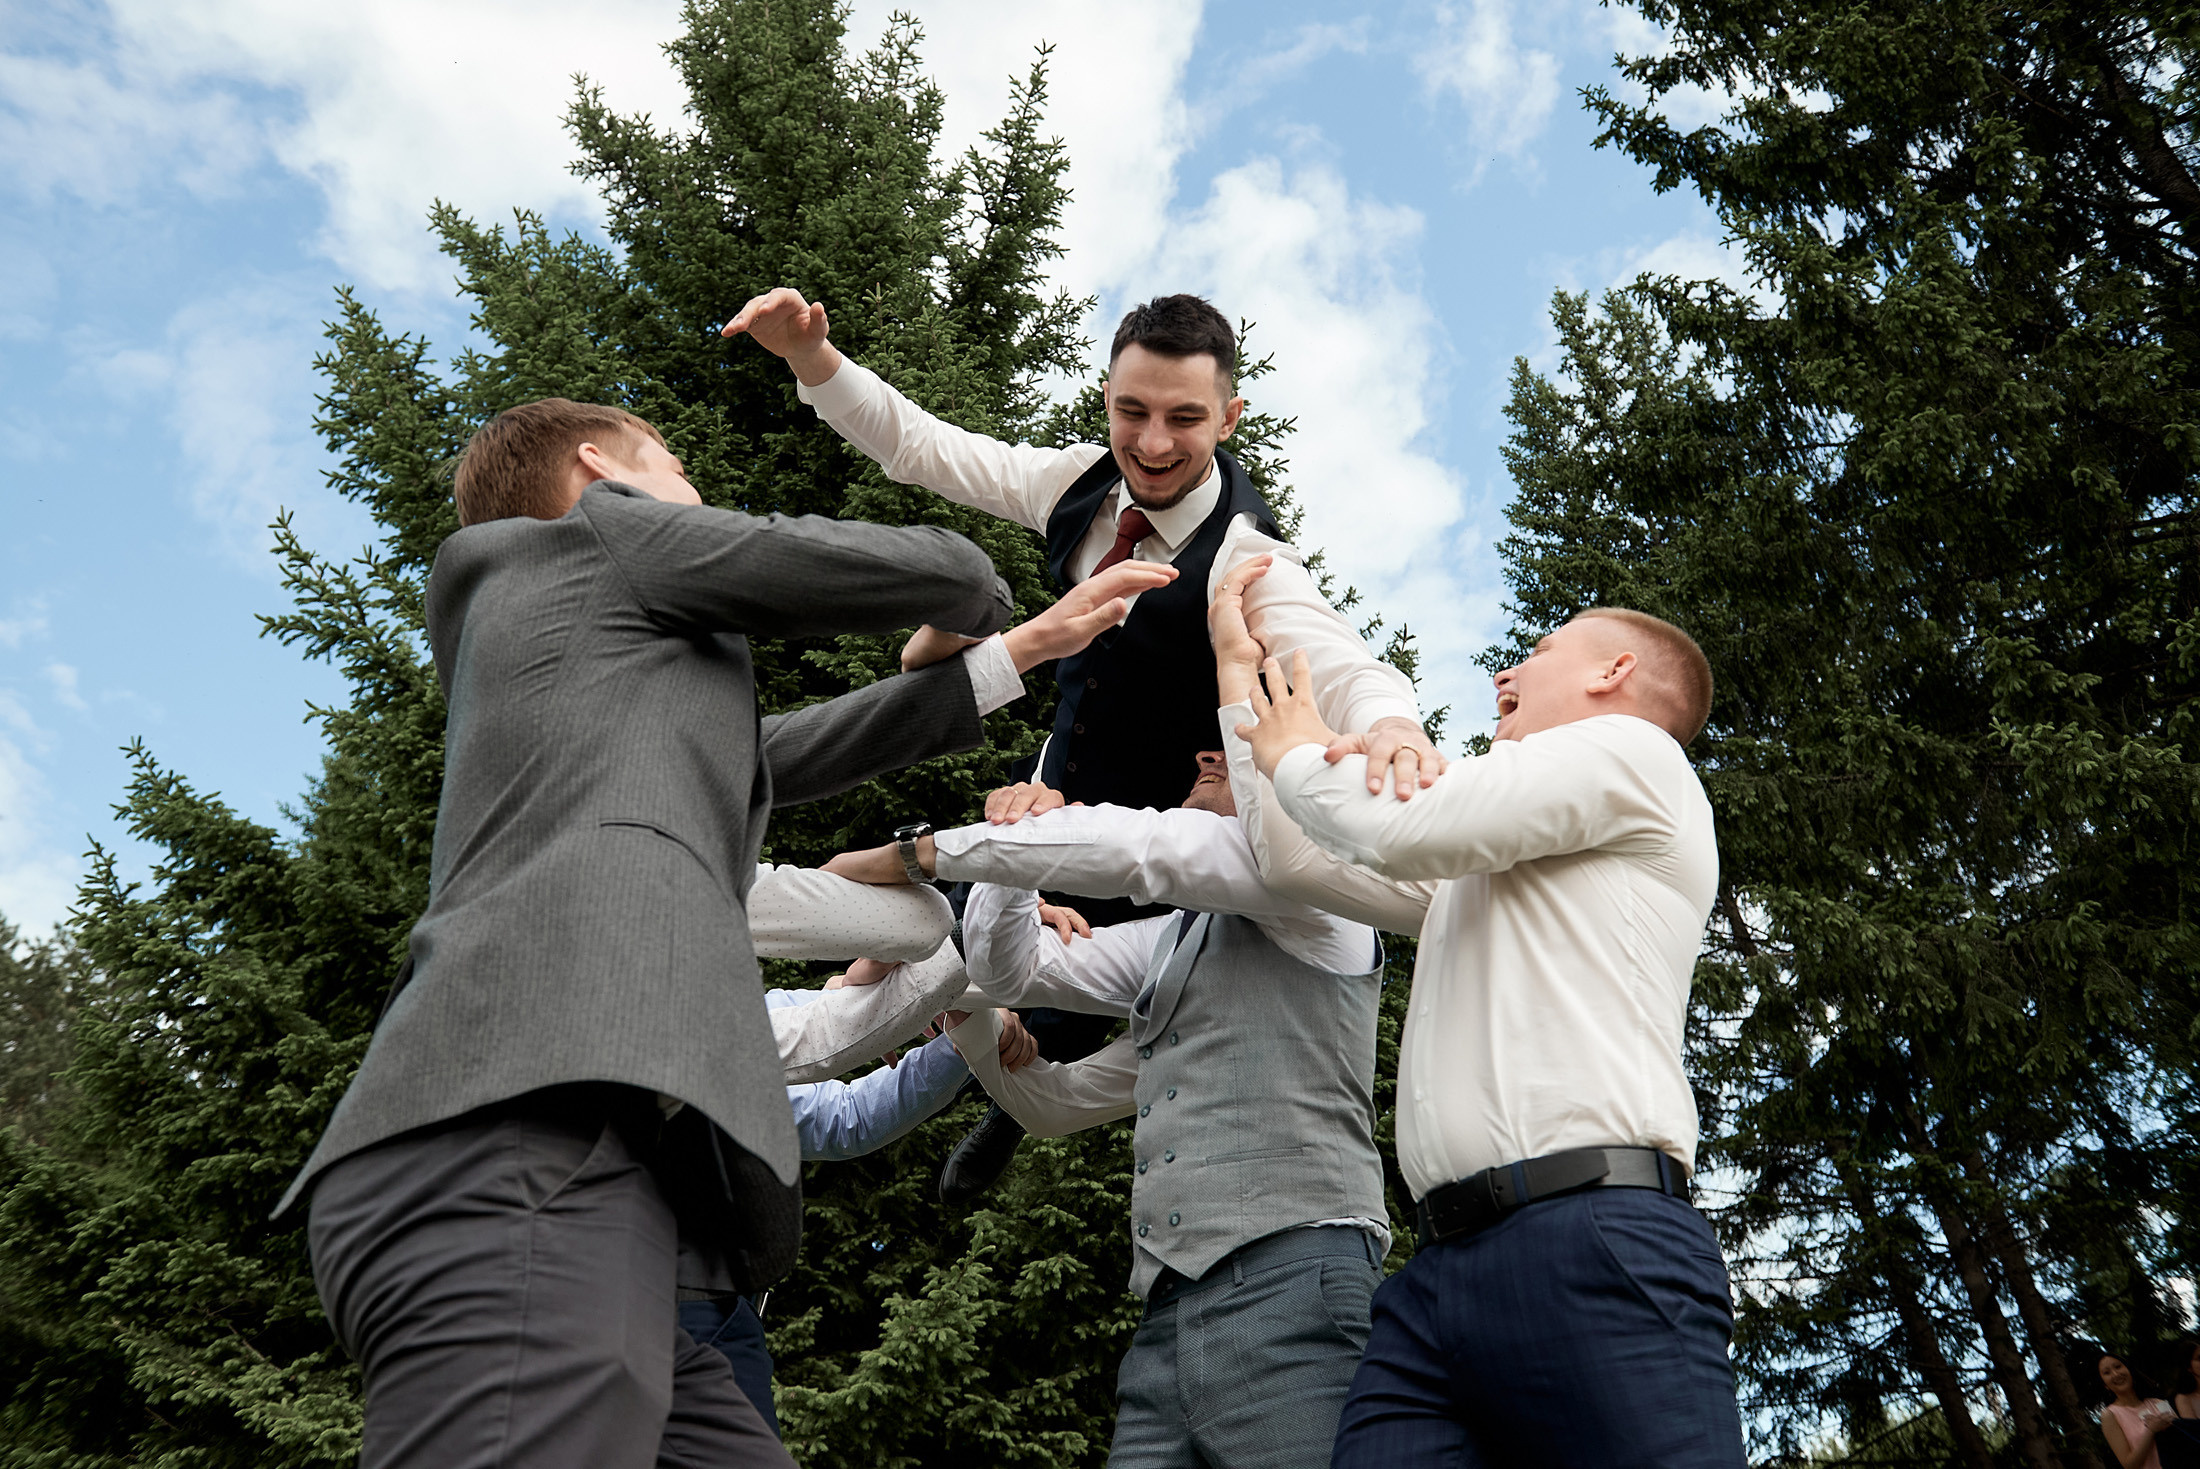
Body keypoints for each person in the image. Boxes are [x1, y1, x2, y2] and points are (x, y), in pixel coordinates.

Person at [276, 396, 1163, 1469]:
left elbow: (769, 757)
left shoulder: (583, 669)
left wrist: (1009, 652)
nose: (693, 488)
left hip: (652, 1215)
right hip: (527, 1146)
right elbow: (933, 566)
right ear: (599, 471)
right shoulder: (599, 531)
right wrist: (973, 589)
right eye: (677, 463)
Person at [726, 285, 1440, 1201]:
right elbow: (924, 447)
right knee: (888, 988)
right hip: (1045, 801)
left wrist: (1391, 727)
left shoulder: (1245, 554)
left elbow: (1339, 660)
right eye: (1130, 411)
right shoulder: (1077, 484)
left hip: (1145, 855)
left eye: (1184, 419)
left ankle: (992, 1104)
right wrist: (809, 360)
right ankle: (734, 1056)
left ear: (1230, 415)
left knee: (1039, 1015)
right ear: (1105, 394)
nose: (1151, 444)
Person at [1230, 584, 1745, 1466]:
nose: (1508, 670)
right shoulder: (1485, 865)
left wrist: (1303, 756)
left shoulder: (1634, 752)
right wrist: (1254, 692)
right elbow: (1301, 853)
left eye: (1542, 650)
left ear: (1613, 672)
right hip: (1435, 1283)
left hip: (1593, 1241)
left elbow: (1395, 824)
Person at [825, 742, 1390, 1469]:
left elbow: (1142, 848)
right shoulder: (1172, 940)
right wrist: (973, 1015)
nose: (1205, 753)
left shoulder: (1324, 896)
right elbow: (1026, 1017)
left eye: (1238, 749)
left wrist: (1021, 818)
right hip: (1164, 1319)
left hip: (1296, 1284)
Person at [2087, 1349, 2177, 1469]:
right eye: (2107, 1373)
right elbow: (2129, 1465)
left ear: (2129, 1369)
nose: (2115, 1374)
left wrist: (2173, 1426)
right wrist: (2151, 1431)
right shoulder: (2109, 1415)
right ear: (2105, 1385)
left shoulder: (2158, 1403)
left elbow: (2185, 1438)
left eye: (2118, 1367)